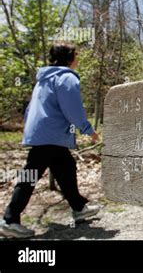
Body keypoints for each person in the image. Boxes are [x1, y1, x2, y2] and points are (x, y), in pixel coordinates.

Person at [0, 44, 101, 238]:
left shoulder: (43, 80)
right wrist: (88, 130)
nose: (77, 60)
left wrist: (31, 130)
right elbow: (72, 108)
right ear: (71, 58)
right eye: (76, 56)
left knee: (66, 168)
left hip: (44, 134)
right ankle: (10, 220)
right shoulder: (66, 78)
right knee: (31, 175)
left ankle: (79, 208)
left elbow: (30, 109)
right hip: (51, 134)